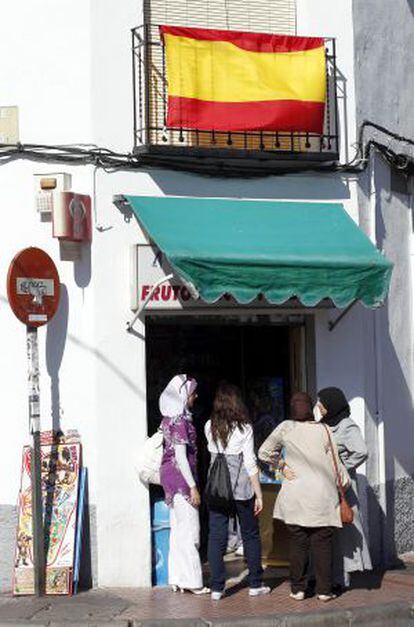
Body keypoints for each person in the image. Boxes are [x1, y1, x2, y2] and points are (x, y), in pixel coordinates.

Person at [259, 392, 348, 602]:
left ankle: (298, 589)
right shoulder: (325, 430)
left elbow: (264, 452)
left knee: (298, 543)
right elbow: (337, 465)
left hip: (295, 496)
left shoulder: (285, 427)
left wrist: (281, 466)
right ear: (310, 408)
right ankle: (324, 591)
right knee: (322, 544)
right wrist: (345, 484)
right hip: (323, 497)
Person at [205, 383, 271, 600]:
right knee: (250, 534)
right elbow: (250, 463)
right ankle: (255, 583)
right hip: (241, 489)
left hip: (217, 489)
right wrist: (259, 494)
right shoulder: (245, 429)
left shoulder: (208, 426)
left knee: (216, 536)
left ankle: (216, 588)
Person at [316, 387, 372, 590]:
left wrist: (343, 467)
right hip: (324, 486)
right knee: (326, 532)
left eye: (321, 402)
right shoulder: (323, 425)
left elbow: (362, 451)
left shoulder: (347, 426)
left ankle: (341, 579)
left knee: (343, 532)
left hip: (342, 488)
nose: (318, 405)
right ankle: (326, 576)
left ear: (332, 404)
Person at [159, 374, 209, 594]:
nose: (195, 396)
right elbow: (181, 456)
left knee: (178, 530)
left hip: (170, 480)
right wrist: (193, 487)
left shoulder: (168, 419)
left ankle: (177, 578)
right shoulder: (180, 421)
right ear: (183, 394)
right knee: (191, 531)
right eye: (192, 392)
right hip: (182, 481)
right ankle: (193, 582)